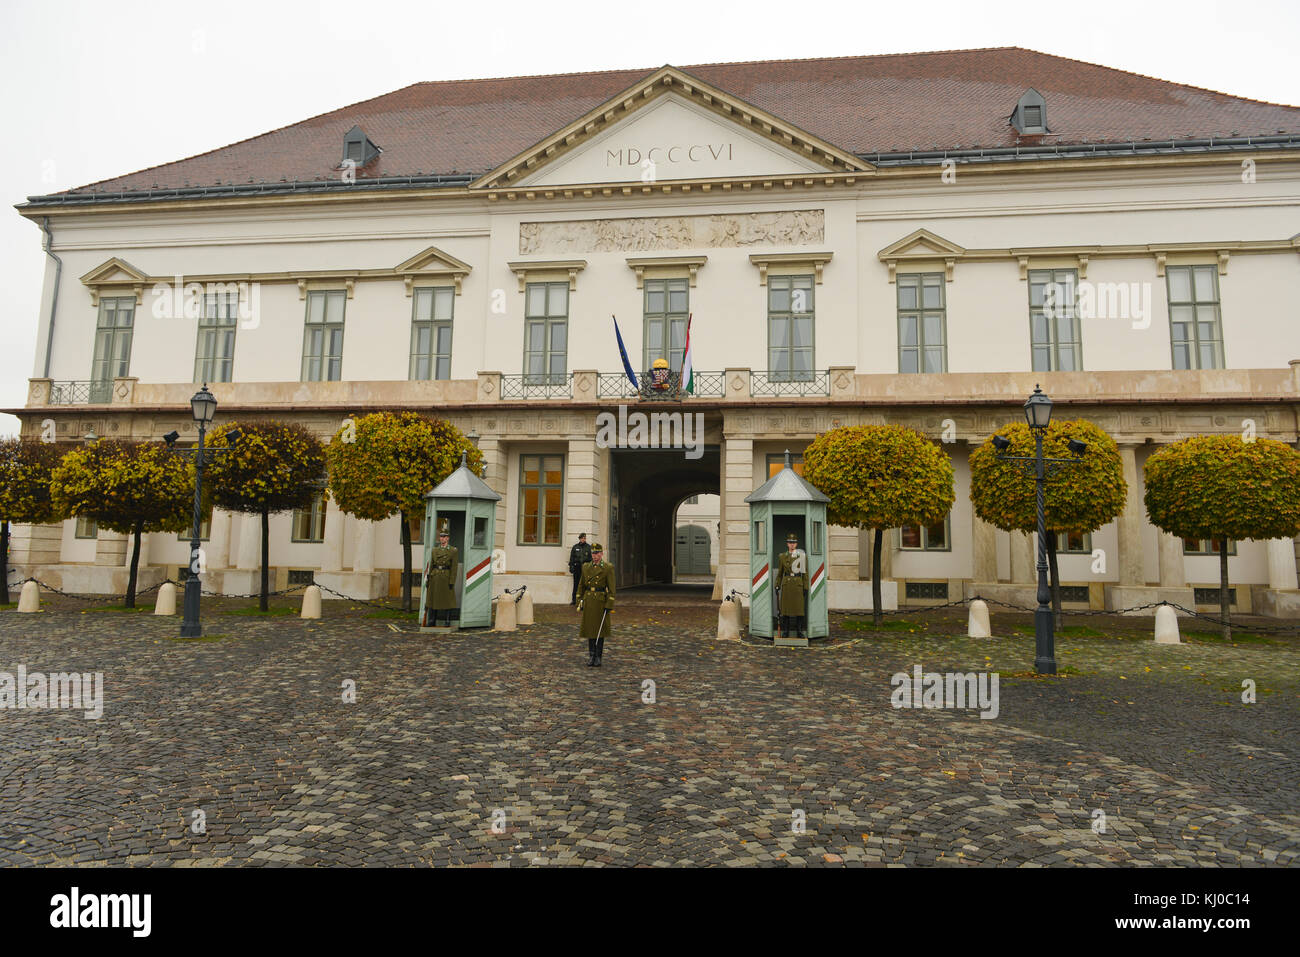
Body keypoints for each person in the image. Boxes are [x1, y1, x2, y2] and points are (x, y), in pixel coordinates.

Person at [576, 543, 615, 666]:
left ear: (602, 554)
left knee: (599, 630)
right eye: (593, 553)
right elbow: (581, 585)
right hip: (589, 600)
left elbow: (612, 589)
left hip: (600, 602)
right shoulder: (586, 567)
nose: (595, 556)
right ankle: (591, 655)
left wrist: (609, 604)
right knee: (590, 629)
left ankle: (598, 656)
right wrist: (579, 600)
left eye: (597, 553)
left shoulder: (607, 568)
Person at [422, 524, 459, 627]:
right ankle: (432, 619)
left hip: (446, 577)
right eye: (441, 536)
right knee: (433, 599)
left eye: (444, 536)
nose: (442, 538)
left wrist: (452, 581)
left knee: (448, 600)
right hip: (435, 577)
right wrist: (429, 578)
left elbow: (454, 568)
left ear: (448, 538)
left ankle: (448, 620)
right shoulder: (434, 550)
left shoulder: (453, 550)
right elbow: (431, 565)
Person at [774, 532, 808, 639]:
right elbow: (780, 573)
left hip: (798, 584)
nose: (792, 545)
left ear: (796, 544)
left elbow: (805, 573)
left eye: (793, 543)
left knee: (799, 610)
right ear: (787, 544)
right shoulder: (782, 557)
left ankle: (799, 631)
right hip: (787, 584)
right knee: (786, 610)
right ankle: (786, 631)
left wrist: (805, 587)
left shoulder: (801, 556)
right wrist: (777, 585)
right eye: (790, 542)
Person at [567, 532, 592, 606]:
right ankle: (574, 600)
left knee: (585, 584)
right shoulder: (575, 547)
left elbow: (591, 558)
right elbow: (572, 557)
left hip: (585, 568)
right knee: (576, 584)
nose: (583, 539)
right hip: (577, 567)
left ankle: (584, 600)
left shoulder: (588, 547)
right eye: (582, 538)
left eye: (584, 538)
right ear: (579, 539)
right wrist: (571, 566)